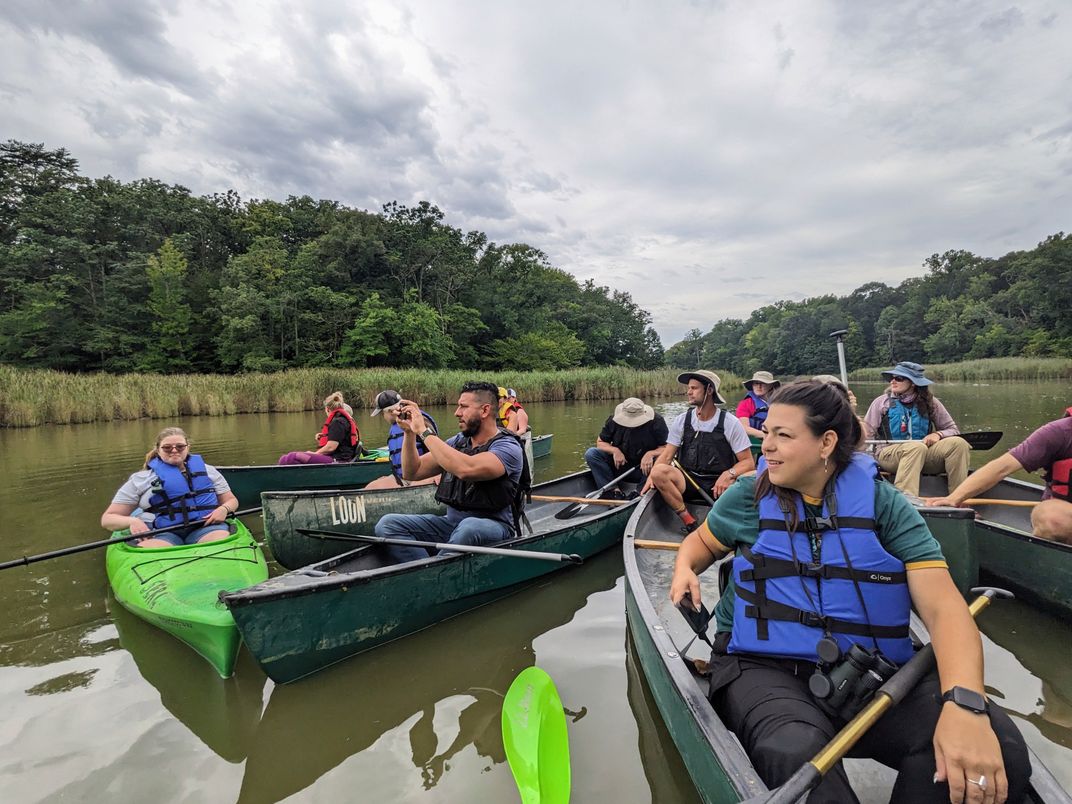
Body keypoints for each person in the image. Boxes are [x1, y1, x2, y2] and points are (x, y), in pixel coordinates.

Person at [670, 380, 1030, 803]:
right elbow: (700, 545)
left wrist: (965, 705)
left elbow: (945, 611)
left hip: (868, 670)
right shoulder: (747, 496)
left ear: (826, 443)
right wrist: (683, 568)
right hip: (763, 666)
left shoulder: (883, 504)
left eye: (782, 435)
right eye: (766, 432)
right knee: (795, 753)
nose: (766, 446)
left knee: (1000, 749)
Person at [374, 381, 528, 564]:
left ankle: (434, 574)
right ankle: (423, 570)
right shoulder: (458, 442)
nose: (457, 413)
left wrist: (423, 430)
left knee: (469, 527)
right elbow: (411, 472)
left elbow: (466, 469)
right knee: (388, 524)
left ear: (485, 410)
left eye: (463, 407)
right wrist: (409, 432)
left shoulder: (507, 447)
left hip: (494, 528)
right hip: (452, 525)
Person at [925, 407, 1072, 544]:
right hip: (1066, 519)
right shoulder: (1059, 432)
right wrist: (954, 498)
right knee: (1051, 516)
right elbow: (1001, 467)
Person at [644, 370, 755, 532]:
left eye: (694, 388)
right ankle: (688, 520)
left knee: (746, 481)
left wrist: (728, 474)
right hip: (688, 480)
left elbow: (748, 463)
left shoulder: (730, 423)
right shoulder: (682, 420)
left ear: (709, 390)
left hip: (719, 485)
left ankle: (723, 520)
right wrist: (652, 477)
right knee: (659, 471)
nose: (689, 392)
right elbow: (667, 455)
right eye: (689, 388)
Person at [101, 427, 239, 547]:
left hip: (207, 528)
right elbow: (108, 519)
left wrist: (223, 509)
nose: (174, 450)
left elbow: (231, 500)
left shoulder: (209, 471)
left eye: (180, 446)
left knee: (219, 540)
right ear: (158, 449)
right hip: (163, 533)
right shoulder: (141, 479)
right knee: (151, 548)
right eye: (167, 447)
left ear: (187, 447)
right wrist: (132, 520)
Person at [862, 362, 970, 498]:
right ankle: (905, 501)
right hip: (888, 455)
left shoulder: (931, 402)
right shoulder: (882, 403)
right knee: (916, 447)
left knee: (958, 444)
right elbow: (865, 436)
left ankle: (959, 499)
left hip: (922, 454)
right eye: (892, 378)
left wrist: (938, 434)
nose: (893, 381)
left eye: (899, 378)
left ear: (913, 383)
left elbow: (953, 429)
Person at [584, 397, 669, 496]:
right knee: (591, 453)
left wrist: (650, 454)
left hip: (644, 470)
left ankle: (640, 492)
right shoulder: (613, 420)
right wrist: (615, 451)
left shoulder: (657, 421)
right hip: (619, 466)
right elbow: (600, 442)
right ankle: (612, 491)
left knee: (660, 460)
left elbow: (667, 448)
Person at [363, 389, 441, 490]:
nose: (384, 417)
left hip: (420, 477)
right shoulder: (416, 417)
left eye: (383, 413)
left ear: (390, 412)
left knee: (372, 488)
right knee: (374, 485)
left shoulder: (406, 424)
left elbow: (406, 471)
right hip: (415, 475)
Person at [278, 391, 360, 465]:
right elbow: (341, 440)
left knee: (292, 457)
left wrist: (315, 453)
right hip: (339, 458)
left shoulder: (337, 422)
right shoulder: (343, 420)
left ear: (327, 409)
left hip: (338, 460)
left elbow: (331, 447)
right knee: (286, 458)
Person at [736, 370, 781, 439]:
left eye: (763, 383)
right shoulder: (745, 404)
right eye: (756, 383)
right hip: (759, 438)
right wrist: (766, 436)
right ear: (752, 385)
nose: (759, 386)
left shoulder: (781, 402)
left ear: (770, 385)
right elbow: (744, 427)